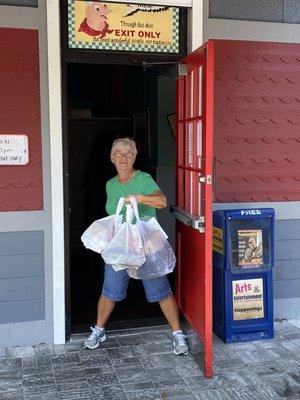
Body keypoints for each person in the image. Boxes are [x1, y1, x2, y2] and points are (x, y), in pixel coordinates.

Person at [83, 137, 189, 355]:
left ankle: (178, 334)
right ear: (112, 158)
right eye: (119, 153)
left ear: (134, 157)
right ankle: (99, 329)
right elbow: (113, 215)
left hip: (147, 244)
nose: (123, 157)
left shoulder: (143, 179)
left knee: (161, 290)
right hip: (120, 245)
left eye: (128, 153)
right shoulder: (110, 185)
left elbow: (161, 201)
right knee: (110, 290)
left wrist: (140, 197)